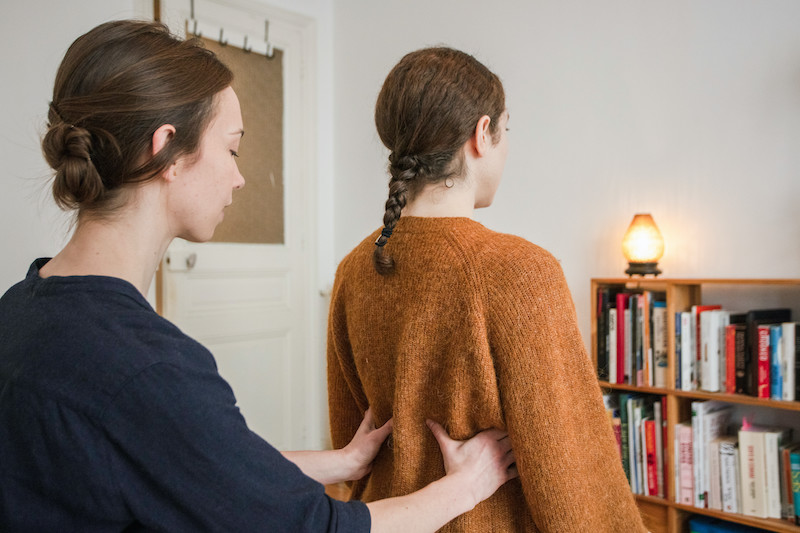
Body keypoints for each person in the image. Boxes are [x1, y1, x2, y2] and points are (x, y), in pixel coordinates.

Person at [0, 21, 519, 532]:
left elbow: (191, 459)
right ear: (165, 151)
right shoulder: (144, 368)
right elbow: (318, 527)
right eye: (231, 149)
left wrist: (339, 463)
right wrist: (466, 485)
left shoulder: (22, 307)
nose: (240, 176)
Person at [327, 47, 647, 532]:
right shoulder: (520, 272)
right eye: (505, 130)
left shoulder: (355, 268)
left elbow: (352, 440)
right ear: (481, 134)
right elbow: (570, 466)